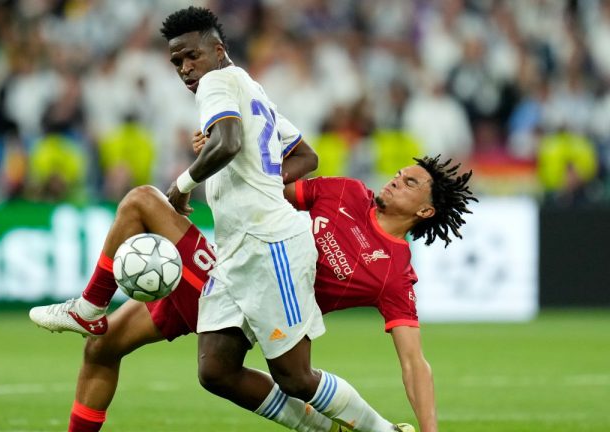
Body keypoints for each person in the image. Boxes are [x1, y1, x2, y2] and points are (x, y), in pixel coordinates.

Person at [30, 8, 475, 432]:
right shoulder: (347, 192)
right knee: (202, 368)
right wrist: (230, 156)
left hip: (270, 256)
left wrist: (193, 175)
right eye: (177, 61)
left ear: (425, 211)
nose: (184, 68)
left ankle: (370, 428)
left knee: (292, 378)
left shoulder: (393, 273)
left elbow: (414, 362)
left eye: (411, 182)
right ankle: (90, 309)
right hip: (236, 258)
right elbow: (286, 173)